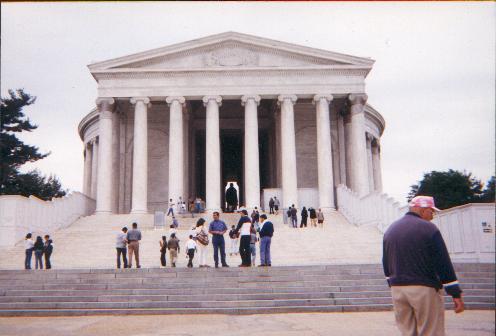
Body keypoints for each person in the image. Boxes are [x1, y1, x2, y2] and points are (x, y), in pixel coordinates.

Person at [383, 195, 464, 336]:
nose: (432, 215)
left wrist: (392, 283)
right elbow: (443, 262)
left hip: (398, 289)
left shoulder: (391, 229)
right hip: (424, 288)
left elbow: (385, 261)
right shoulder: (429, 228)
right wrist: (455, 292)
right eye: (431, 211)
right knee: (431, 331)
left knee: (407, 332)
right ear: (421, 210)